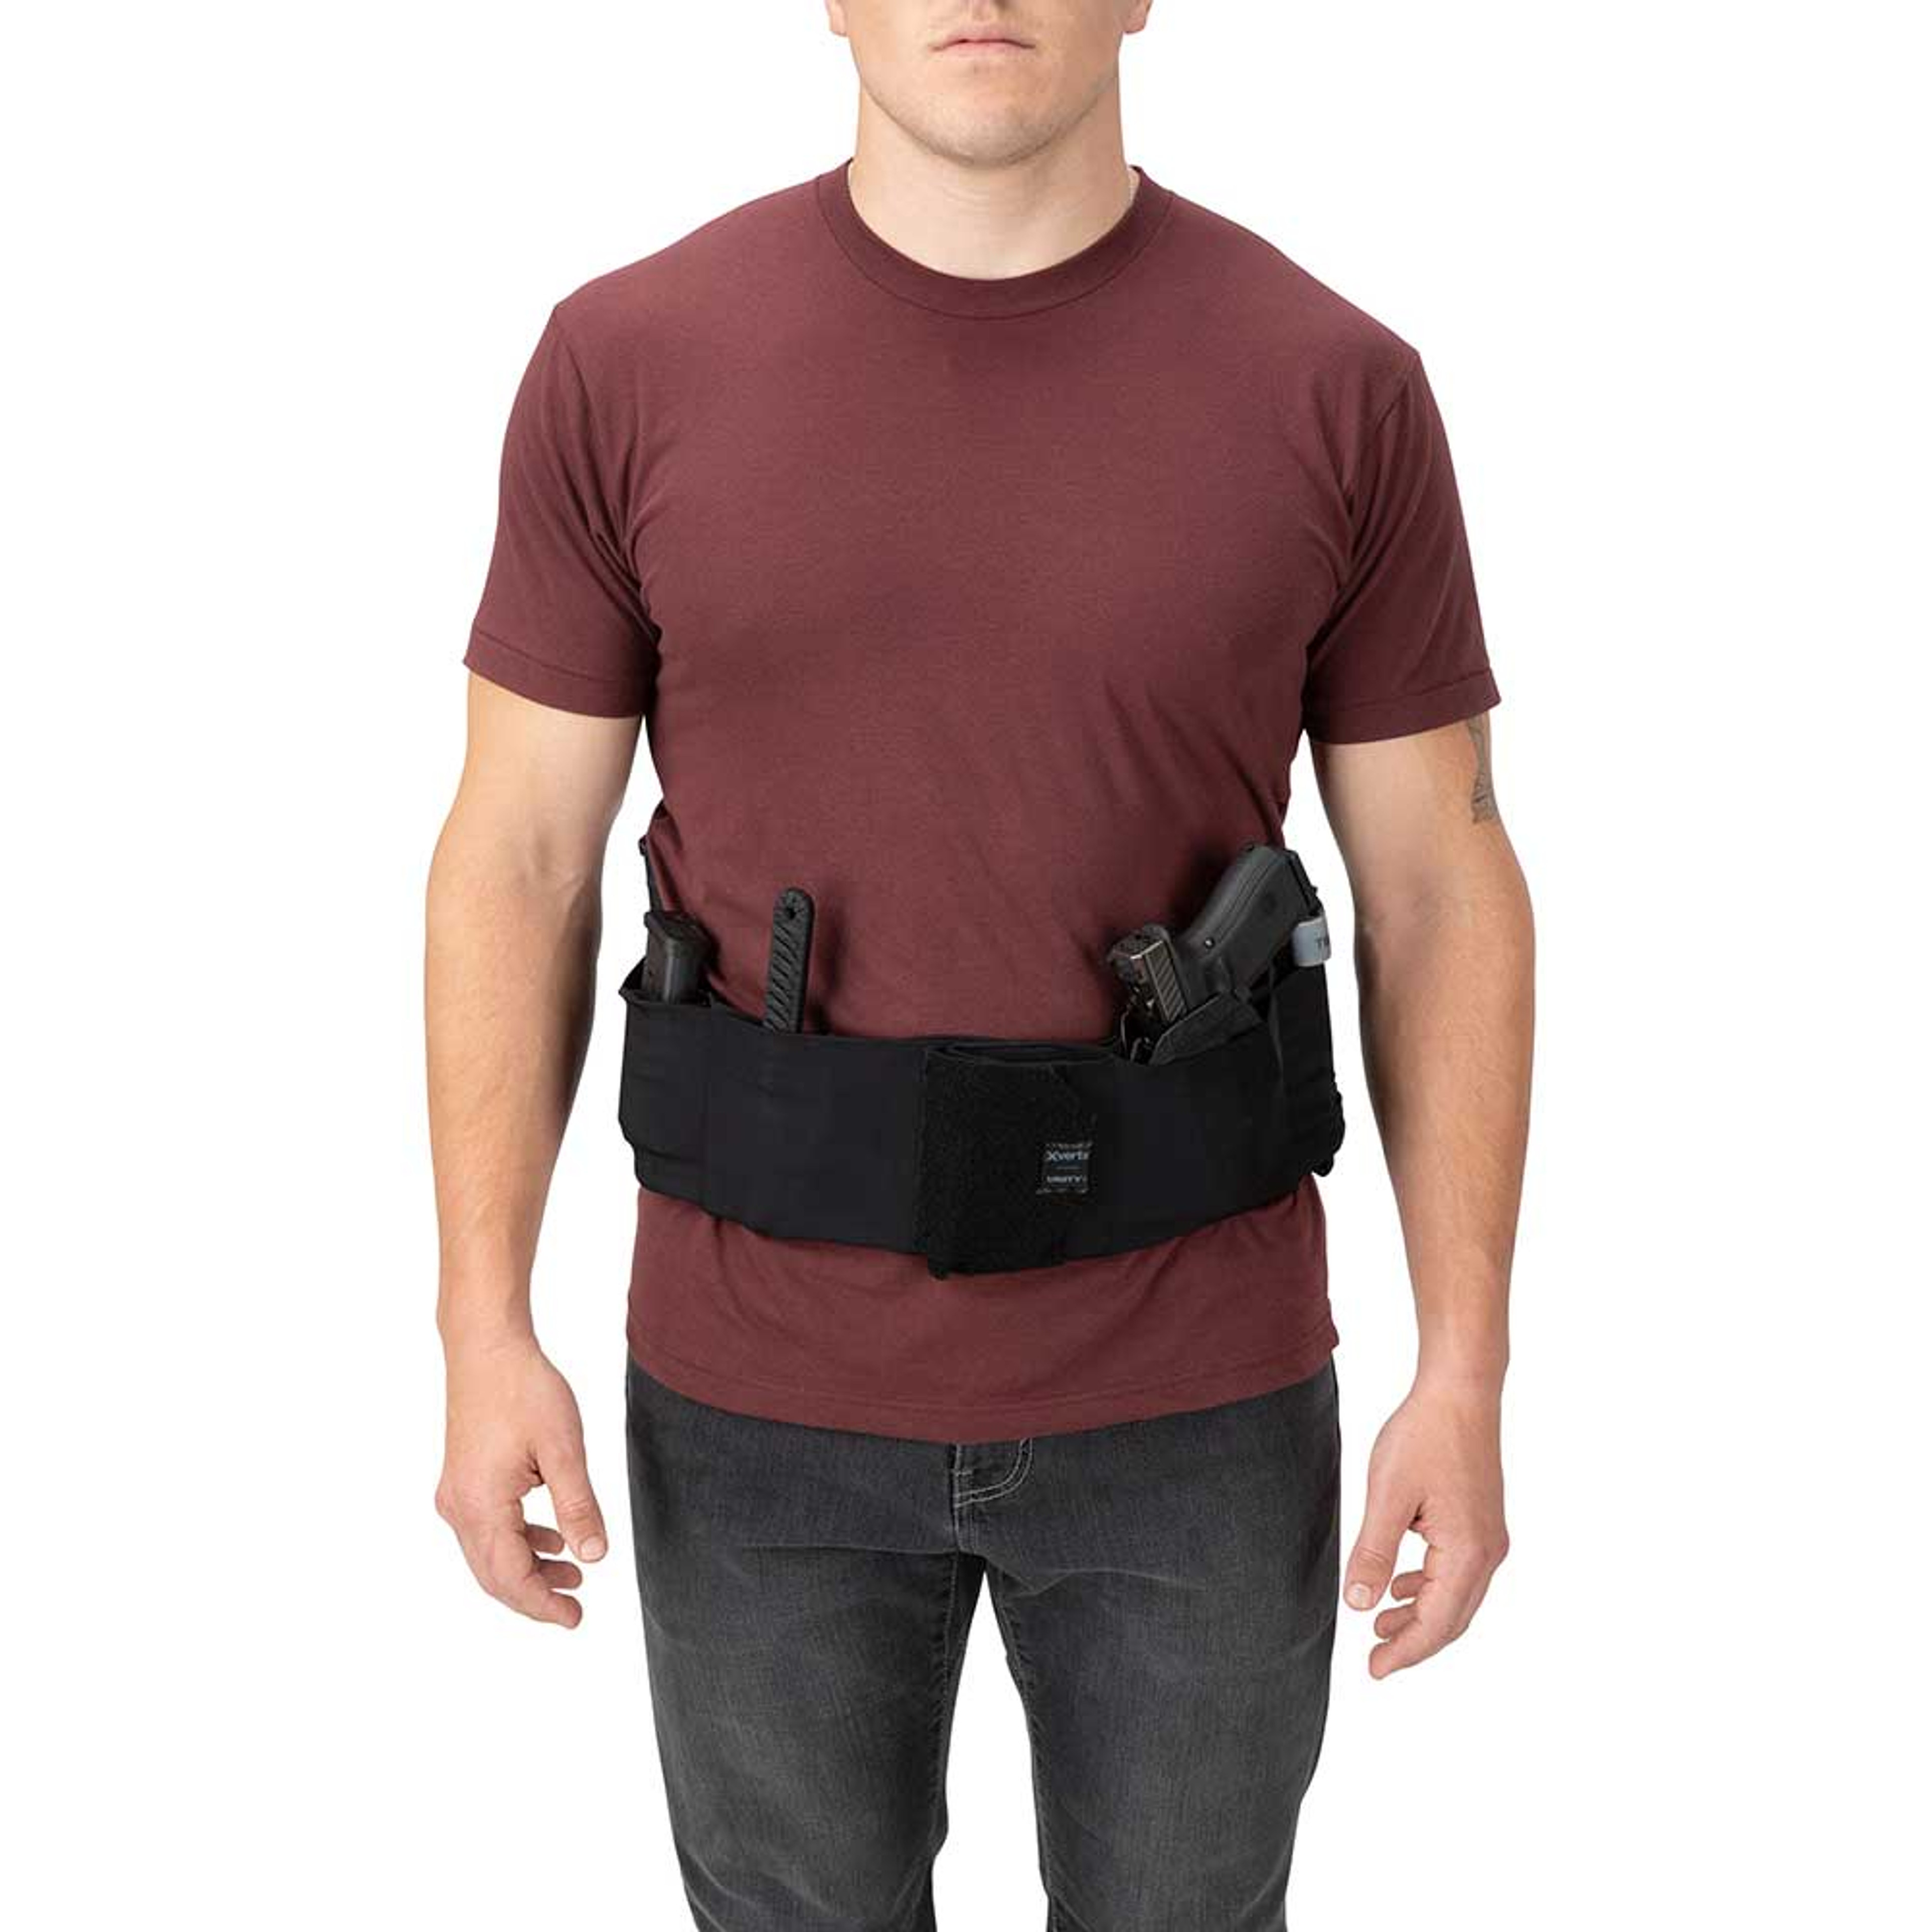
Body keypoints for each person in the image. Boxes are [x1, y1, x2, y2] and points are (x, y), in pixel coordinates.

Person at [425, 4, 1534, 1925]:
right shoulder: (629, 360)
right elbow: (515, 862)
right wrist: (479, 1329)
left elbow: (1442, 885)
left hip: (1196, 1397)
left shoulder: (1333, 383)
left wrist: (1469, 1368)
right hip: (757, 1399)